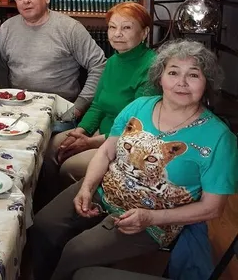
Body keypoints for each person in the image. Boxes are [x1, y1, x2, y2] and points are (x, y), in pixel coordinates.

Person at [30, 40, 238, 280]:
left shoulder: (219, 138)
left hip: (153, 218)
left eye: (193, 75)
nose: (181, 82)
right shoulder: (139, 106)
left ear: (207, 83)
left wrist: (151, 218)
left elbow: (212, 207)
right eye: (173, 72)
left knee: (76, 252)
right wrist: (87, 187)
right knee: (43, 226)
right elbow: (106, 152)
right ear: (160, 78)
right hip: (104, 189)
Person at [45, 2, 156, 186]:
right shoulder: (112, 62)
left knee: (69, 167)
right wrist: (80, 132)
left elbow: (137, 127)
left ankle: (82, 200)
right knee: (51, 147)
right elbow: (97, 105)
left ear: (144, 33)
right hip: (101, 132)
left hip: (127, 142)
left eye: (126, 28)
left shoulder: (151, 67)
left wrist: (90, 142)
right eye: (112, 27)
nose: (117, 34)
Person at [0, 0, 106, 118]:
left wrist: (79, 106)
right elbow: (3, 70)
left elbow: (99, 65)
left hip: (60, 112)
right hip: (17, 108)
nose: (26, 1)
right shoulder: (6, 29)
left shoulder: (70, 28)